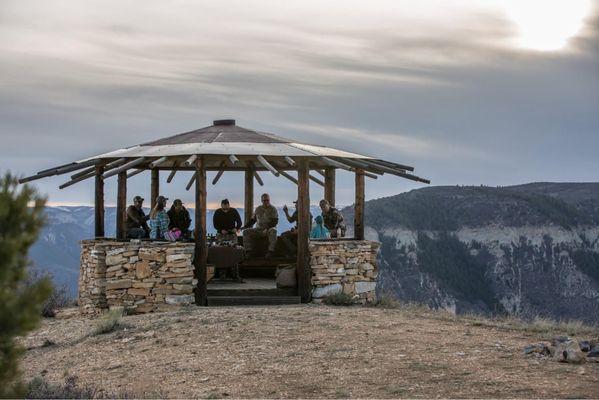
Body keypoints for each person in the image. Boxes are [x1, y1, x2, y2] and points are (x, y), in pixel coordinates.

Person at [242, 193, 278, 258]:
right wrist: (245, 227)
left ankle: (270, 251)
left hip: (268, 230)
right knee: (245, 232)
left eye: (268, 200)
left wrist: (267, 229)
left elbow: (275, 222)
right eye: (264, 200)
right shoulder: (258, 209)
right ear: (261, 201)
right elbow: (253, 220)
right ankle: (248, 252)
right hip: (258, 229)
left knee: (274, 231)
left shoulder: (273, 209)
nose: (266, 202)